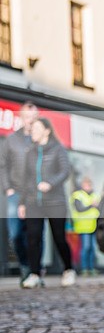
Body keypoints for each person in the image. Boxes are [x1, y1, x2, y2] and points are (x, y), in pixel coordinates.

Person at [18, 118, 75, 288]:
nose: (33, 130)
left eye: (36, 127)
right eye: (32, 128)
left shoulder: (58, 149)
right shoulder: (30, 152)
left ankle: (68, 270)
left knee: (59, 238)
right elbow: (26, 180)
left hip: (55, 202)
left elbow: (65, 171)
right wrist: (22, 203)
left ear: (47, 130)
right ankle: (35, 274)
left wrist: (50, 183)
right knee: (33, 238)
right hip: (33, 202)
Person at [0, 102, 39, 284]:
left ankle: (35, 272)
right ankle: (25, 265)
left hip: (35, 195)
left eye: (34, 117)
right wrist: (7, 188)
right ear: (22, 118)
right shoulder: (11, 139)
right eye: (28, 117)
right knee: (15, 234)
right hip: (15, 193)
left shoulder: (39, 139)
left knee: (35, 234)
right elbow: (3, 165)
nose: (31, 121)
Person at [71, 177, 100, 276]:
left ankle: (91, 268)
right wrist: (91, 205)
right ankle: (84, 269)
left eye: (89, 185)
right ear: (82, 185)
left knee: (92, 248)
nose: (88, 187)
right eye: (86, 185)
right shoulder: (78, 195)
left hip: (93, 225)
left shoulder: (95, 195)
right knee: (85, 247)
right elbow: (79, 209)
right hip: (83, 226)